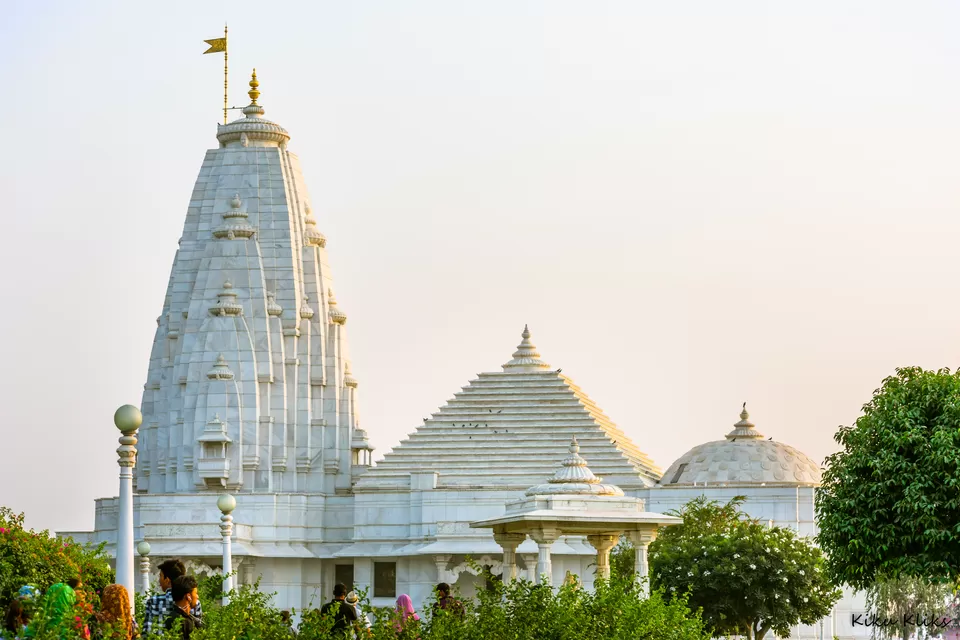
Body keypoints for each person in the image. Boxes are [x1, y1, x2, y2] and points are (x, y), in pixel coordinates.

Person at [143, 559, 202, 634]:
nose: (159, 581)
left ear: (167, 580)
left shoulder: (153, 601)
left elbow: (147, 632)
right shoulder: (194, 602)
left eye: (160, 576)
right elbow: (199, 632)